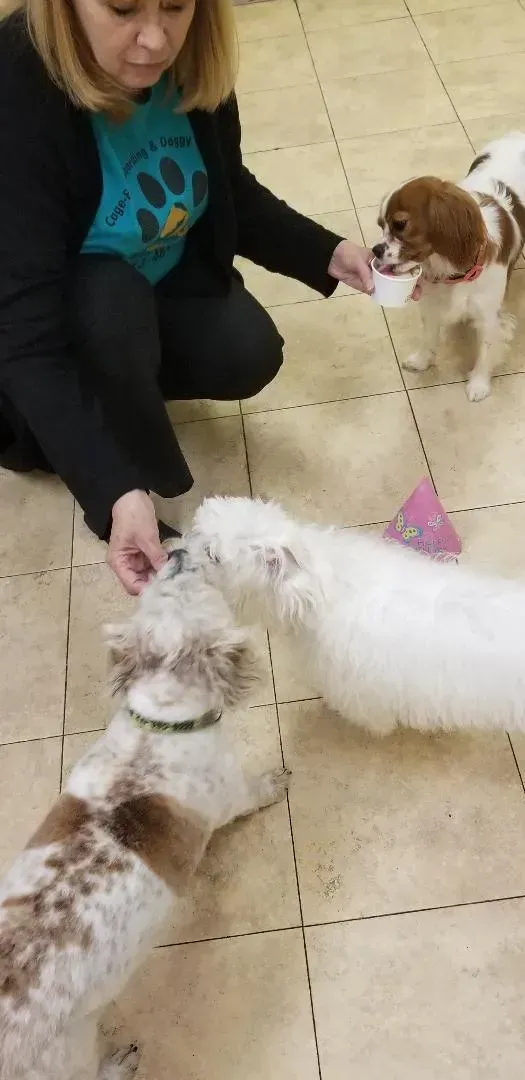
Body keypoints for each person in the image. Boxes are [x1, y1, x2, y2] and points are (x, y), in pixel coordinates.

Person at [0, 0, 374, 595]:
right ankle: (104, 432)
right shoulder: (17, 90)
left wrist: (326, 251)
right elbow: (24, 338)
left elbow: (231, 189)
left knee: (248, 350)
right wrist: (114, 490)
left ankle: (124, 379)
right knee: (109, 303)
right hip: (62, 318)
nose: (155, 39)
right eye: (123, 8)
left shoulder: (195, 59)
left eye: (176, 5)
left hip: (152, 286)